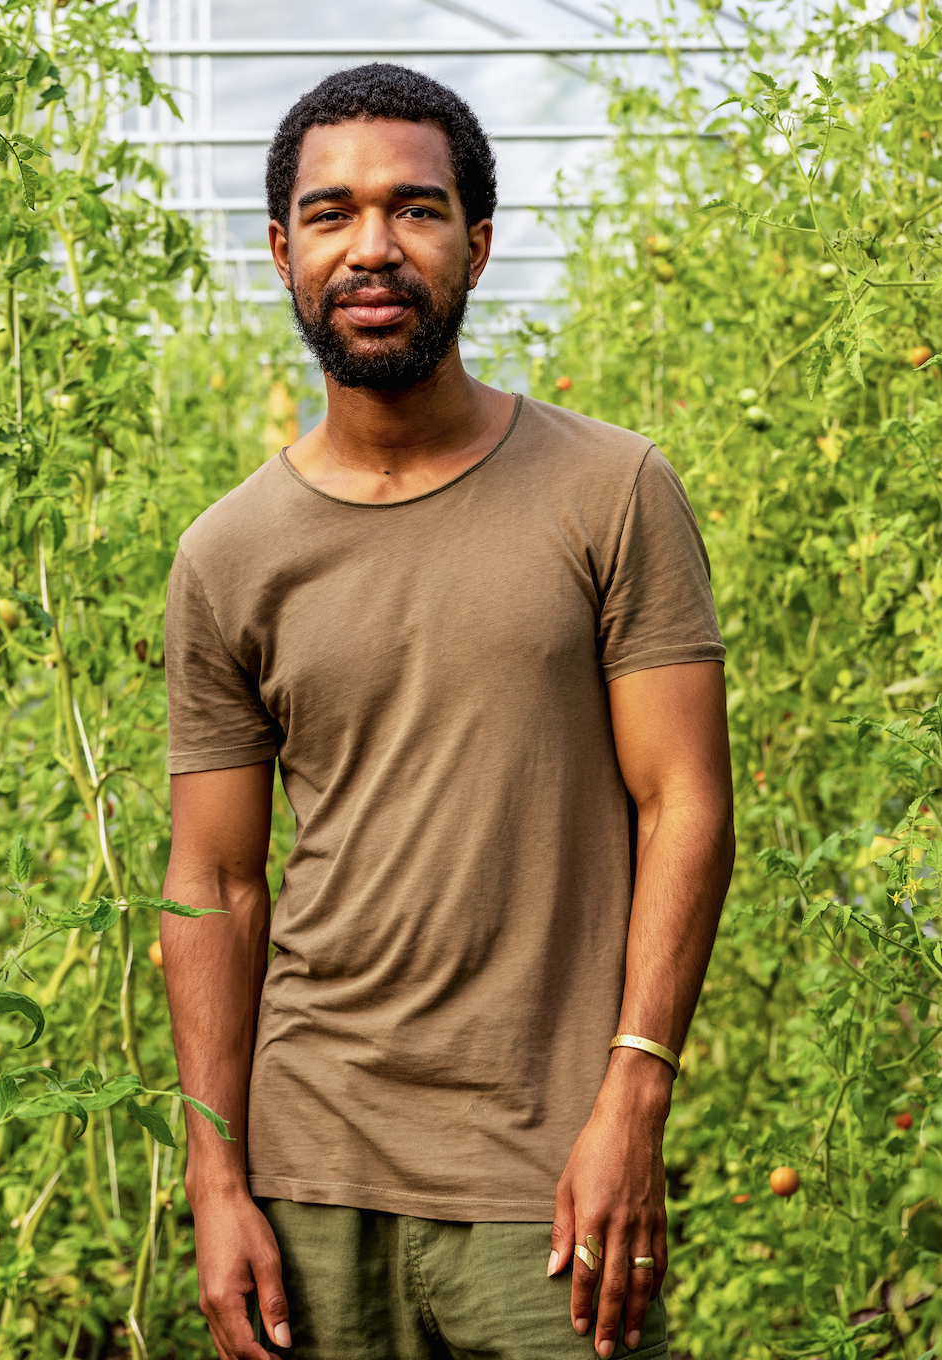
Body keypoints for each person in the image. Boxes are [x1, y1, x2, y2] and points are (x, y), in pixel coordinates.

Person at [161, 62, 734, 1360]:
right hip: (307, 1175)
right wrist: (214, 1183)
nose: (373, 247)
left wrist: (634, 1095)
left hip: (545, 1174)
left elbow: (686, 801)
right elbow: (214, 879)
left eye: (415, 209)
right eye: (330, 214)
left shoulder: (612, 492)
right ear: (280, 251)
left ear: (476, 243)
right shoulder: (229, 554)